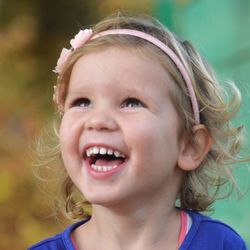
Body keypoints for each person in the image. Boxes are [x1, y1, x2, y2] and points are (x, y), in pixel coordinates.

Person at [28, 12, 248, 250]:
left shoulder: (220, 244)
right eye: (82, 102)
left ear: (189, 146)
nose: (97, 120)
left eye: (131, 102)